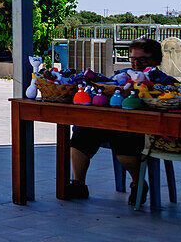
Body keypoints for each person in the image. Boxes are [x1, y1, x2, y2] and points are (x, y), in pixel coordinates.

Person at [68, 37, 164, 204]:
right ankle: (79, 184)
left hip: (138, 128)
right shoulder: (123, 74)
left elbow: (175, 92)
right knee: (82, 132)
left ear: (154, 60)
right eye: (133, 58)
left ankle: (138, 183)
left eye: (141, 59)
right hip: (111, 122)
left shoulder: (161, 79)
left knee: (124, 139)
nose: (135, 63)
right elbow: (107, 83)